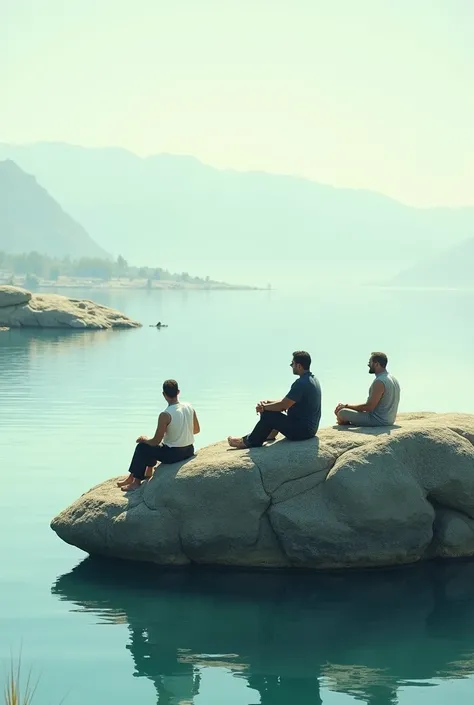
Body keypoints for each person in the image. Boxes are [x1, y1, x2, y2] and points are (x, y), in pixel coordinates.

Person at [228, 350, 321, 449]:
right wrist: (269, 403)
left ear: (299, 366)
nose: (291, 366)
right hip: (309, 429)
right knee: (269, 409)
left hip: (301, 432)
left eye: (292, 363)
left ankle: (250, 441)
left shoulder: (301, 383)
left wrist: (264, 407)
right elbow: (289, 401)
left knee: (268, 414)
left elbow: (283, 406)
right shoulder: (312, 379)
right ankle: (270, 434)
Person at [118, 379, 200, 491]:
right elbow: (196, 430)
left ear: (164, 395)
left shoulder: (165, 414)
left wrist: (144, 439)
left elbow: (155, 441)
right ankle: (140, 474)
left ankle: (136, 482)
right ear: (178, 391)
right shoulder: (189, 407)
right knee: (156, 446)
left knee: (142, 447)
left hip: (174, 455)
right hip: (189, 450)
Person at [335, 352, 400, 427]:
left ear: (376, 364)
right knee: (345, 411)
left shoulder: (380, 381)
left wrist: (346, 406)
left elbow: (369, 407)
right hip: (389, 420)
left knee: (342, 412)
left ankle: (346, 424)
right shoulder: (393, 379)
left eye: (370, 362)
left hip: (378, 420)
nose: (368, 364)